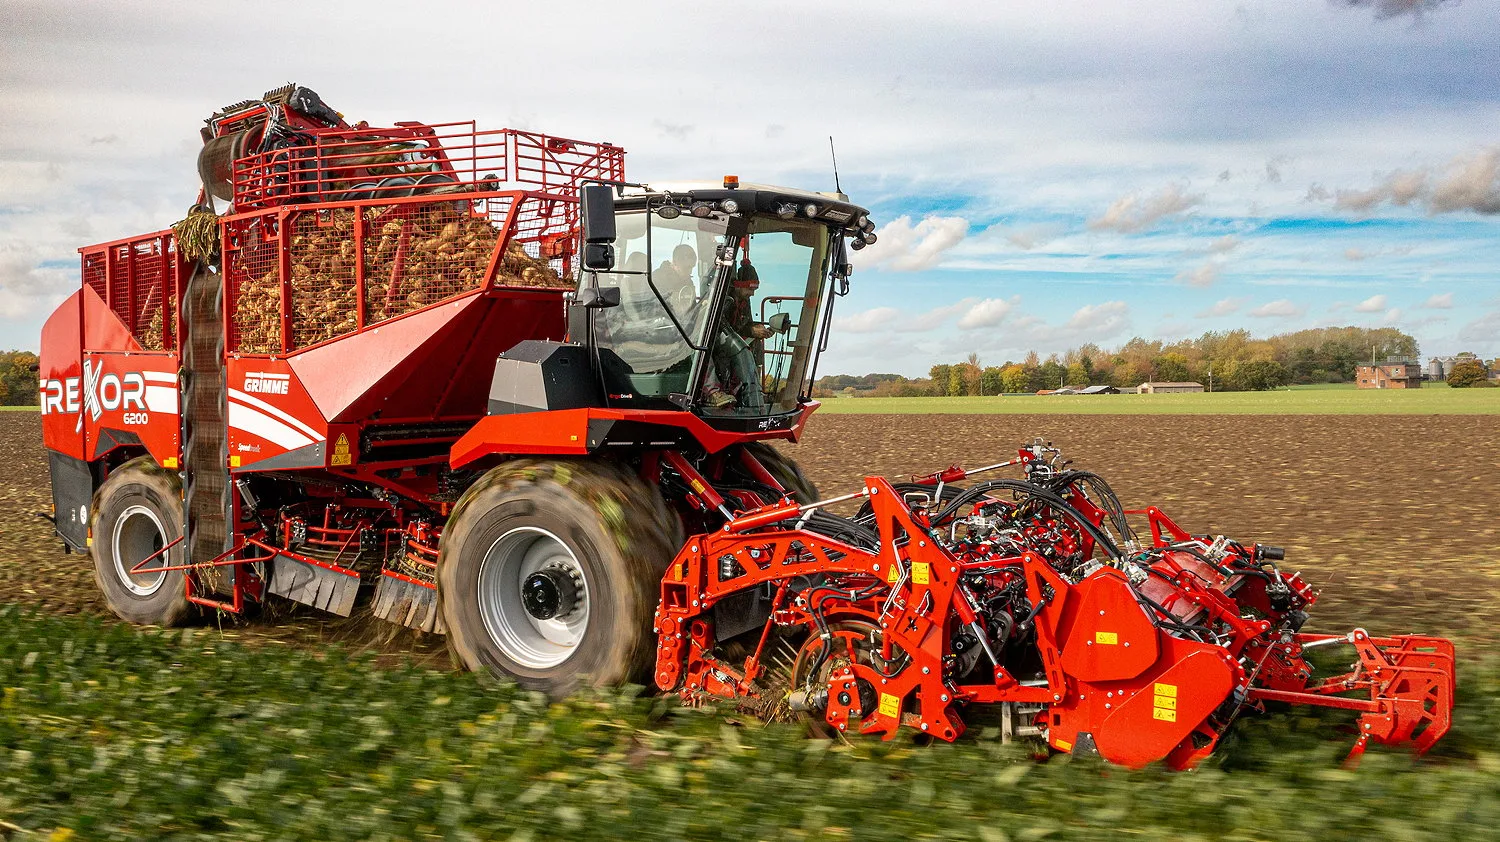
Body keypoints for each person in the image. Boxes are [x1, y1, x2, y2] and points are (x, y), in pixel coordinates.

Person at [702, 257, 772, 410]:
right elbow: (720, 324)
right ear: (739, 286)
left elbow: (745, 324)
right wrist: (750, 330)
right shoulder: (724, 297)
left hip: (729, 336)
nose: (752, 294)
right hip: (714, 337)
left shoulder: (744, 300)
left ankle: (753, 389)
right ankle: (713, 391)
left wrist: (757, 329)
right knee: (734, 346)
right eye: (750, 289)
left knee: (754, 342)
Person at [653, 243, 697, 310]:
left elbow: (692, 308)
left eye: (691, 268)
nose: (690, 272)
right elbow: (652, 309)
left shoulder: (688, 282)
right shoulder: (657, 279)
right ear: (675, 262)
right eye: (686, 268)